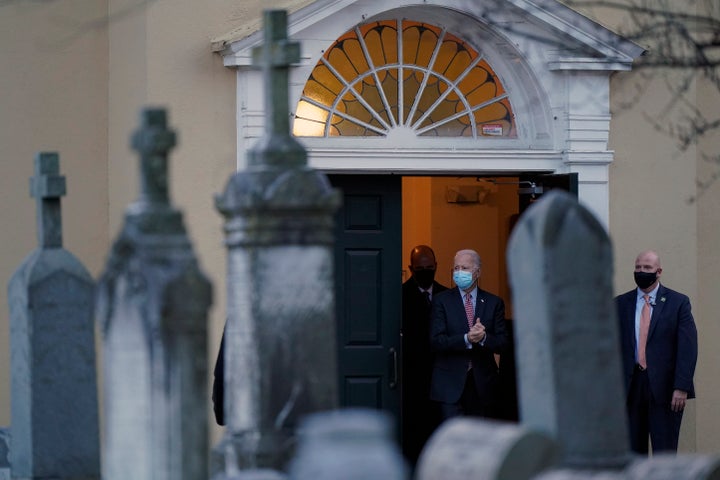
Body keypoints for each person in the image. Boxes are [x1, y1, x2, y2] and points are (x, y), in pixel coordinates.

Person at [615, 250, 698, 454]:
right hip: (631, 387)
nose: (641, 271)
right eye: (638, 267)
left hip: (666, 390)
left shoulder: (678, 302)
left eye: (647, 268)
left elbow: (688, 347)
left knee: (665, 453)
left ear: (659, 271)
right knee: (633, 454)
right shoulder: (620, 304)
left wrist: (681, 386)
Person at [429, 249, 507, 421]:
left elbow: (503, 344)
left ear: (477, 272)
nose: (459, 272)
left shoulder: (494, 303)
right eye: (456, 268)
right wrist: (467, 339)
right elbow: (436, 341)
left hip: (482, 386)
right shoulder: (442, 301)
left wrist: (484, 337)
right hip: (450, 385)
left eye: (465, 268)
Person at [401, 245, 448, 465]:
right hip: (412, 377)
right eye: (420, 269)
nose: (426, 272)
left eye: (430, 268)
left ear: (436, 266)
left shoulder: (447, 296)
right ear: (411, 269)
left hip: (440, 376)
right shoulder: (400, 296)